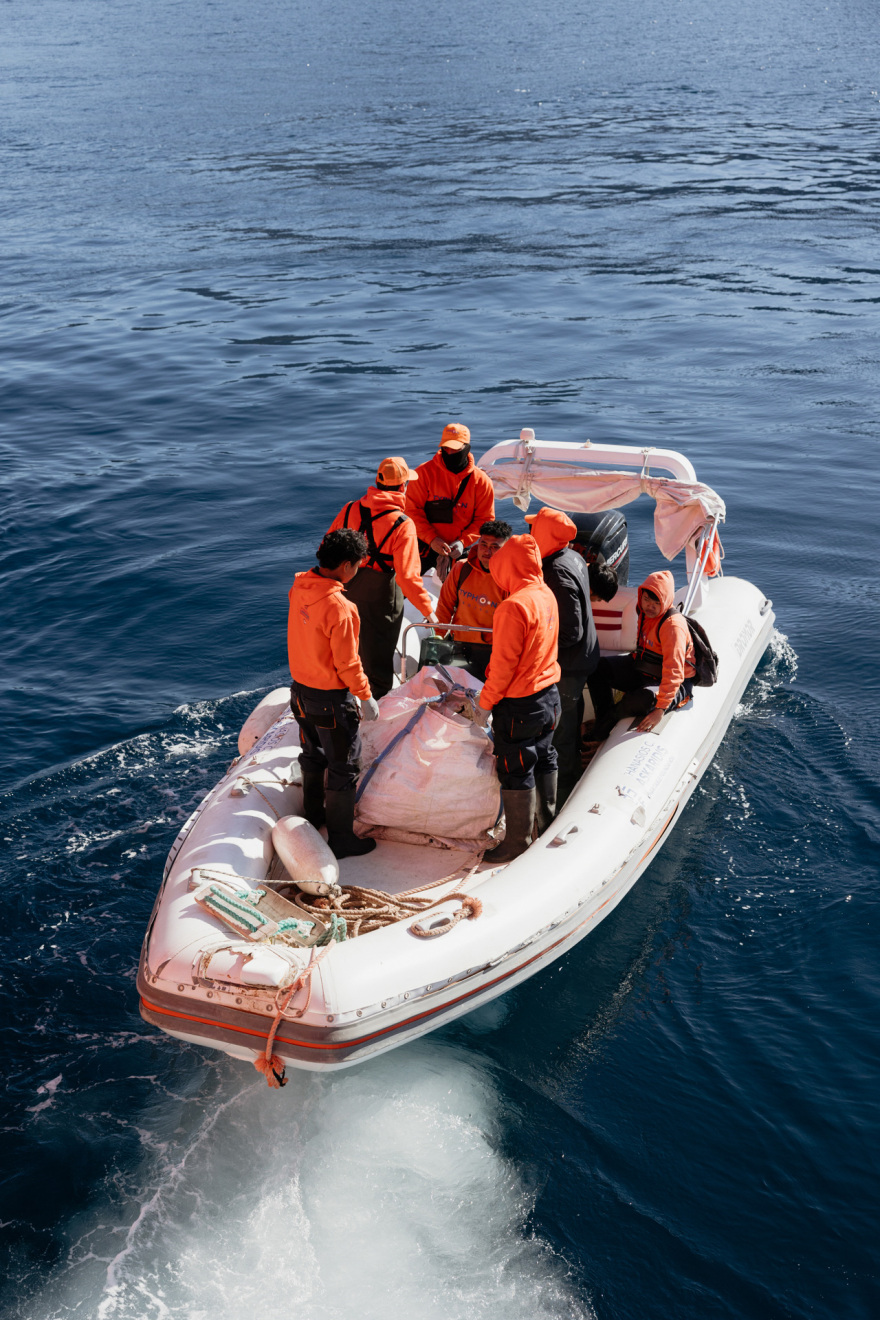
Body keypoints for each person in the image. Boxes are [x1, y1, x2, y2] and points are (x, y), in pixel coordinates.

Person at [287, 529, 380, 860]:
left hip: (299, 695)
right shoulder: (340, 607)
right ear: (345, 565)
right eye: (356, 565)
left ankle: (313, 817)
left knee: (313, 756)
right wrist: (365, 696)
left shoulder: (299, 587)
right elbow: (347, 662)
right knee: (344, 767)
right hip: (330, 701)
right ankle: (341, 839)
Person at [476, 535, 561, 862]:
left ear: (507, 567)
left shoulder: (513, 606)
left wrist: (484, 705)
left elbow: (502, 667)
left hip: (521, 705)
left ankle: (518, 843)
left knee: (516, 768)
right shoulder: (545, 593)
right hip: (549, 698)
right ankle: (546, 823)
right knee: (545, 754)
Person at [328, 457, 437, 699]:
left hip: (344, 589)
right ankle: (374, 702)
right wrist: (428, 612)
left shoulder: (349, 509)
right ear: (402, 487)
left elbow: (327, 549)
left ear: (377, 482)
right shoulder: (402, 524)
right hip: (381, 597)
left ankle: (344, 692)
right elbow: (408, 577)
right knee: (377, 656)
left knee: (347, 644)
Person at [524, 506, 599, 812]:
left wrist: (536, 646)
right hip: (582, 659)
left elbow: (571, 631)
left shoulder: (556, 572)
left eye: (534, 528)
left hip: (567, 667)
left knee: (562, 734)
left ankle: (563, 798)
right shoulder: (573, 556)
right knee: (566, 725)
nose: (529, 532)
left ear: (544, 535)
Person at [585, 569, 696, 744]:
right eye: (646, 600)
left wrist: (660, 710)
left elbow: (674, 672)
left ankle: (603, 728)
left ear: (665, 602)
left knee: (638, 701)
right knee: (596, 669)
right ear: (641, 596)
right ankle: (603, 717)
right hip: (644, 668)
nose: (649, 607)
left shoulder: (672, 627)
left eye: (655, 603)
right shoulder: (643, 612)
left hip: (672, 681)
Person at [406, 423, 496, 576]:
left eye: (455, 449)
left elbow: (485, 519)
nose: (449, 452)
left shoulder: (481, 481)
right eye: (446, 448)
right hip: (425, 549)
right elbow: (411, 512)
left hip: (461, 550)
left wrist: (463, 542)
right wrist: (432, 539)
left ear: (467, 448)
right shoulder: (423, 474)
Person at [435, 519, 512, 680]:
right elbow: (444, 606)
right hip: (460, 645)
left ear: (507, 549)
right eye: (484, 544)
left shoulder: (510, 579)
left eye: (495, 547)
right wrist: (439, 638)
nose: (487, 551)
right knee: (457, 695)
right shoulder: (461, 568)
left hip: (493, 652)